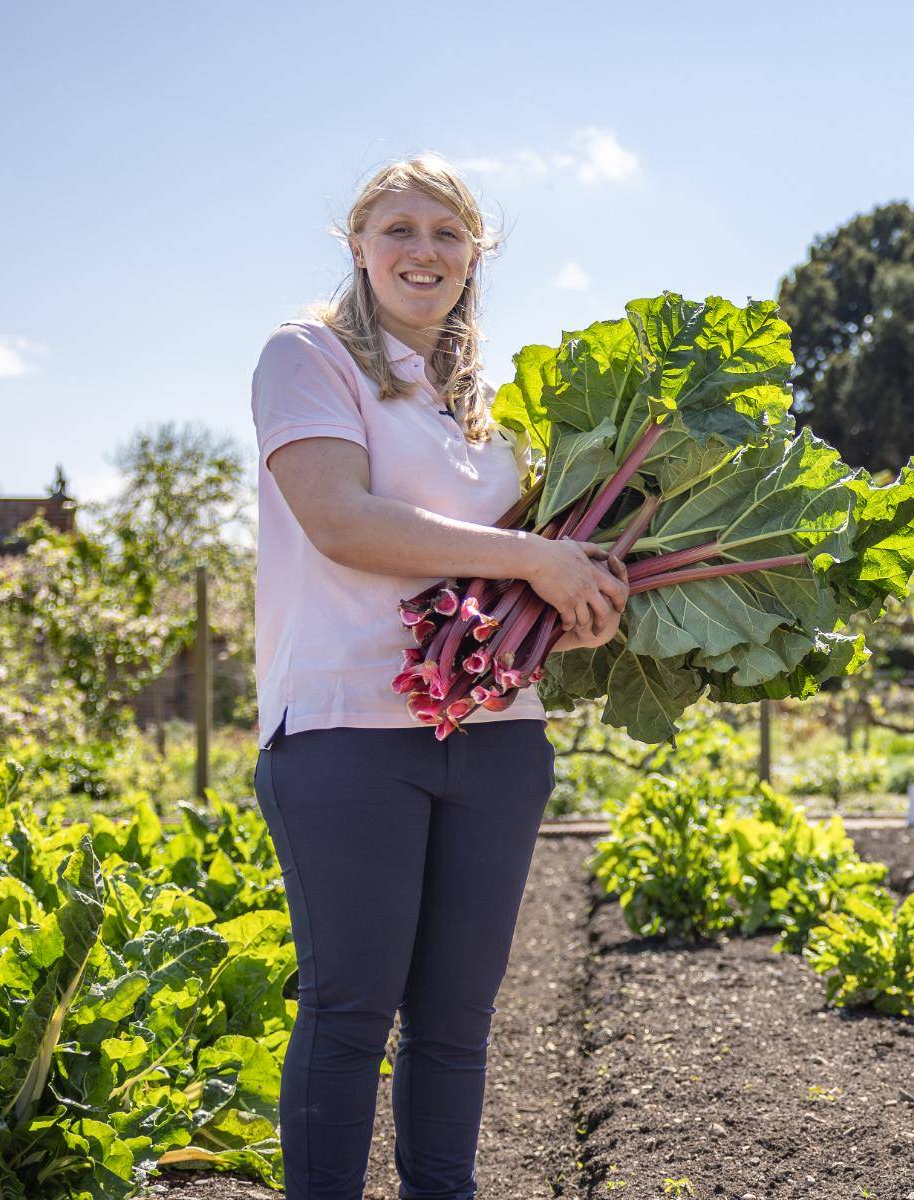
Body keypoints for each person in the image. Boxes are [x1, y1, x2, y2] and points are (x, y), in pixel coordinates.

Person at [247, 153, 628, 1199]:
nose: (424, 251)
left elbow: (516, 575)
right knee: (351, 1011)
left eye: (447, 234)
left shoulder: (489, 408)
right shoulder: (308, 356)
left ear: (475, 257)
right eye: (400, 230)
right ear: (360, 246)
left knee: (457, 1023)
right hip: (344, 735)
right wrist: (533, 560)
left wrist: (570, 608)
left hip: (499, 741)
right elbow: (341, 521)